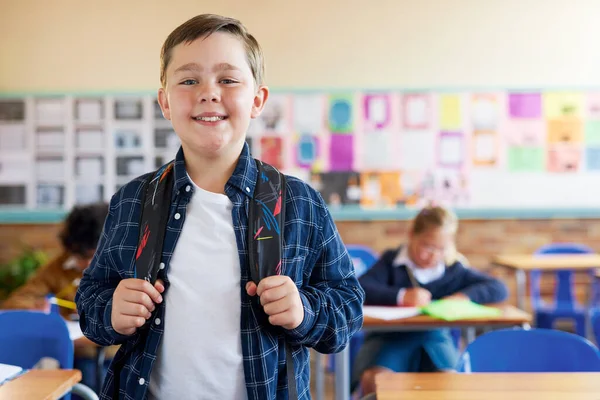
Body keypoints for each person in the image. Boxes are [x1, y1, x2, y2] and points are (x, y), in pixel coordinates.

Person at [75, 14, 364, 400]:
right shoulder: (133, 200)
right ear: (165, 101)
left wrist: (304, 312)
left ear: (257, 99)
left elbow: (348, 308)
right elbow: (92, 296)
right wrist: (110, 311)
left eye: (228, 79)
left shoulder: (299, 203)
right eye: (189, 80)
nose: (208, 93)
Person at [353, 205, 508, 396]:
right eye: (427, 246)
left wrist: (464, 297)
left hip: (435, 340)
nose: (433, 255)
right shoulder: (391, 262)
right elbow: (359, 288)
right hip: (389, 338)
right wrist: (401, 296)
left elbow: (498, 288)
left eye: (441, 249)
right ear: (412, 235)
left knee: (450, 382)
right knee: (377, 382)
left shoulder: (452, 269)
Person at [2, 202, 108, 317]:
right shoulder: (58, 268)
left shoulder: (126, 268)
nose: (88, 264)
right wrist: (32, 307)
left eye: (96, 256)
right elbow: (15, 301)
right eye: (81, 256)